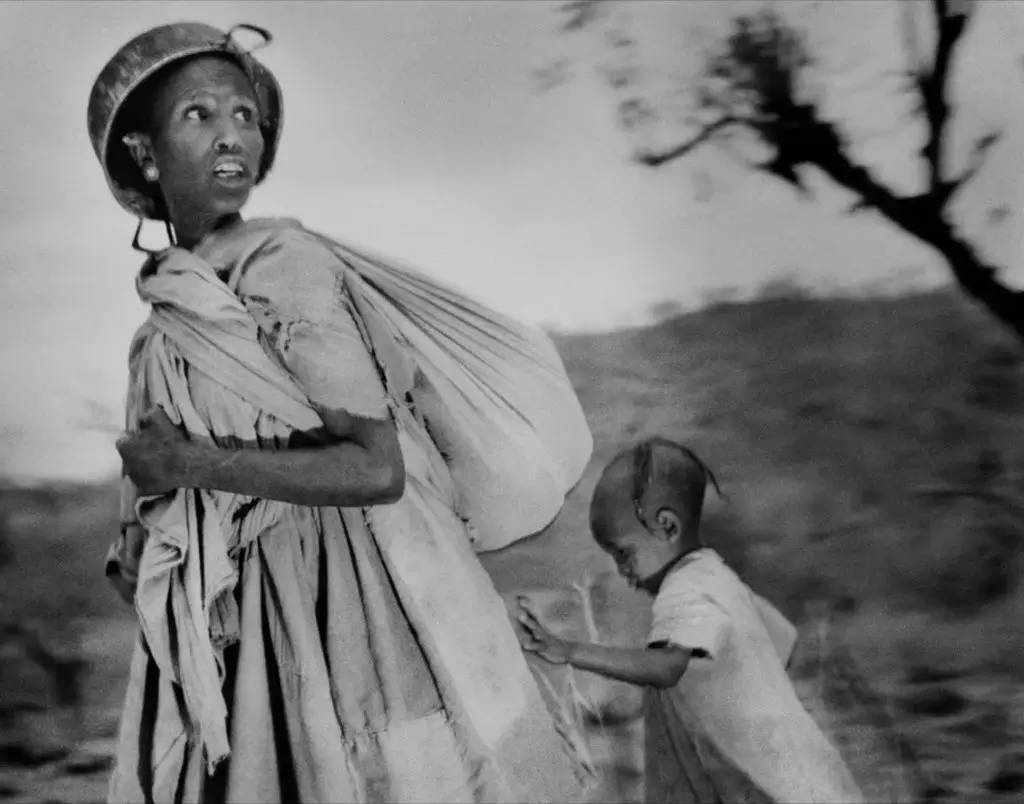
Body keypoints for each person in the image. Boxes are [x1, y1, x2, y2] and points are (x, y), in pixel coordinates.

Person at [85, 21, 593, 804]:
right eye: (199, 115)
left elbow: (375, 468)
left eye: (244, 115)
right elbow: (146, 532)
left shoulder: (283, 267)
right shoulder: (160, 327)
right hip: (252, 620)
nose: (231, 135)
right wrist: (153, 546)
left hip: (361, 600)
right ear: (144, 153)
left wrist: (193, 466)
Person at [516, 437, 865, 803]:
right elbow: (785, 643)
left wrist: (569, 651)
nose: (621, 570)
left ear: (667, 527)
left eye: (624, 553)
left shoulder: (684, 588)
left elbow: (665, 668)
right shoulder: (721, 579)